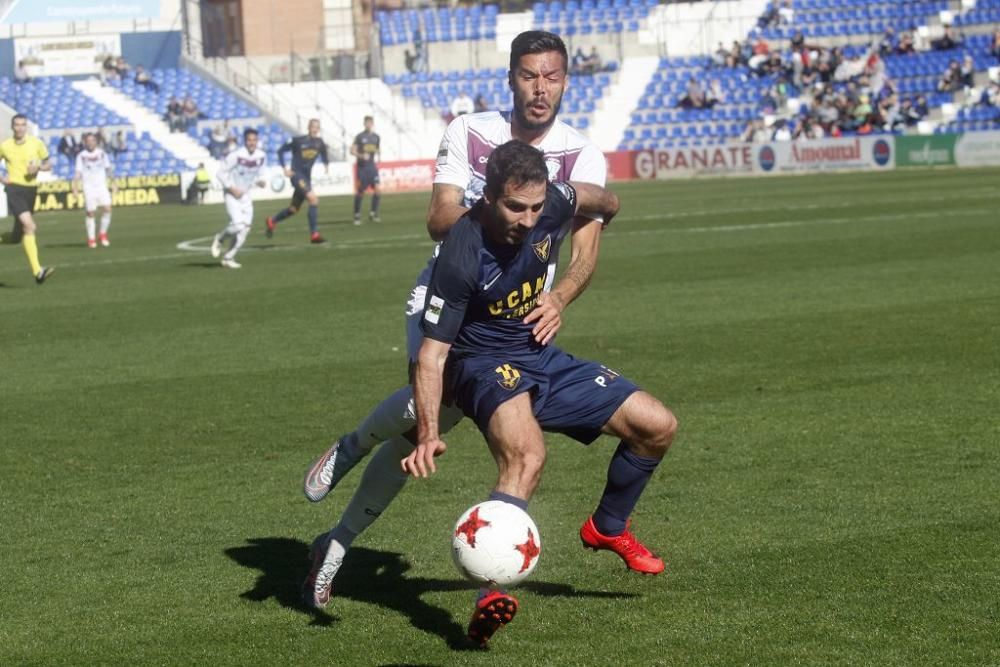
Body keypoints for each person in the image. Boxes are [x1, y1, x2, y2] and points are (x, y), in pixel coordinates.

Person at [299, 31, 610, 641]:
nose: (539, 88)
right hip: (453, 292)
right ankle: (352, 455)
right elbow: (439, 218)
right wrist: (497, 201)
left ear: (565, 80)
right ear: (512, 78)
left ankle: (334, 540)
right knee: (423, 414)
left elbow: (587, 246)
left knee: (431, 427)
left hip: (515, 320)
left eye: (550, 77)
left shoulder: (581, 155)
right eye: (528, 75)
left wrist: (561, 294)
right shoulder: (472, 132)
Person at [403, 140, 676, 646]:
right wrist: (428, 433)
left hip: (538, 352)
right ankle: (489, 592)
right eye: (515, 207)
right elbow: (431, 355)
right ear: (487, 197)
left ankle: (608, 526)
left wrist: (564, 290)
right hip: (481, 364)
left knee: (657, 427)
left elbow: (607, 204)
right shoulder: (461, 255)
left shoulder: (555, 200)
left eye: (536, 207)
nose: (529, 220)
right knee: (527, 457)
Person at [0, 114, 55, 284]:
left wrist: (38, 167)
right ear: (12, 127)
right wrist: (2, 178)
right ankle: (38, 272)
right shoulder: (5, 146)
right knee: (30, 226)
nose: (20, 128)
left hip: (31, 190)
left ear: (26, 127)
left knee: (18, 236)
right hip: (14, 189)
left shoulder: (36, 143)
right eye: (17, 125)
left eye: (23, 124)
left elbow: (48, 164)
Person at [264, 118, 330, 244]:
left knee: (293, 209)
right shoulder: (298, 141)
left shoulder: (319, 142)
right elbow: (280, 151)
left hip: (306, 178)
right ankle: (314, 234)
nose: (315, 129)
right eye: (313, 126)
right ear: (308, 127)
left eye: (317, 127)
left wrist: (326, 163)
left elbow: (324, 152)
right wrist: (285, 168)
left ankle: (272, 220)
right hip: (296, 175)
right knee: (313, 199)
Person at [210, 128, 267, 269]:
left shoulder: (261, 156)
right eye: (249, 140)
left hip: (246, 196)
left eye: (254, 140)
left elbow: (261, 173)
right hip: (231, 194)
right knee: (237, 225)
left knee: (245, 230)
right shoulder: (236, 155)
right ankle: (220, 238)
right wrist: (231, 188)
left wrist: (261, 181)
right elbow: (220, 173)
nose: (252, 143)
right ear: (244, 141)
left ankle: (228, 258)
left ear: (257, 141)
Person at [72, 132, 116, 248]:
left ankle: (102, 234)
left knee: (107, 209)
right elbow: (78, 173)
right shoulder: (81, 156)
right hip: (89, 187)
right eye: (88, 141)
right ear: (85, 142)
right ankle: (91, 239)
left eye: (93, 140)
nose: (90, 143)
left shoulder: (102, 154)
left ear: (96, 142)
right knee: (90, 212)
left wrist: (114, 183)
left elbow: (108, 169)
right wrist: (75, 187)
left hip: (101, 186)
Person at [350, 115, 381, 225]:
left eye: (370, 123)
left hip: (372, 167)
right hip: (362, 168)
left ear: (372, 124)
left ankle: (373, 213)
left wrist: (378, 160)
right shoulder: (359, 137)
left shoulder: (376, 137)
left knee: (377, 190)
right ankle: (357, 215)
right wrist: (361, 155)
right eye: (367, 123)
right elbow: (352, 150)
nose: (368, 125)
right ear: (364, 124)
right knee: (361, 191)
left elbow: (377, 150)